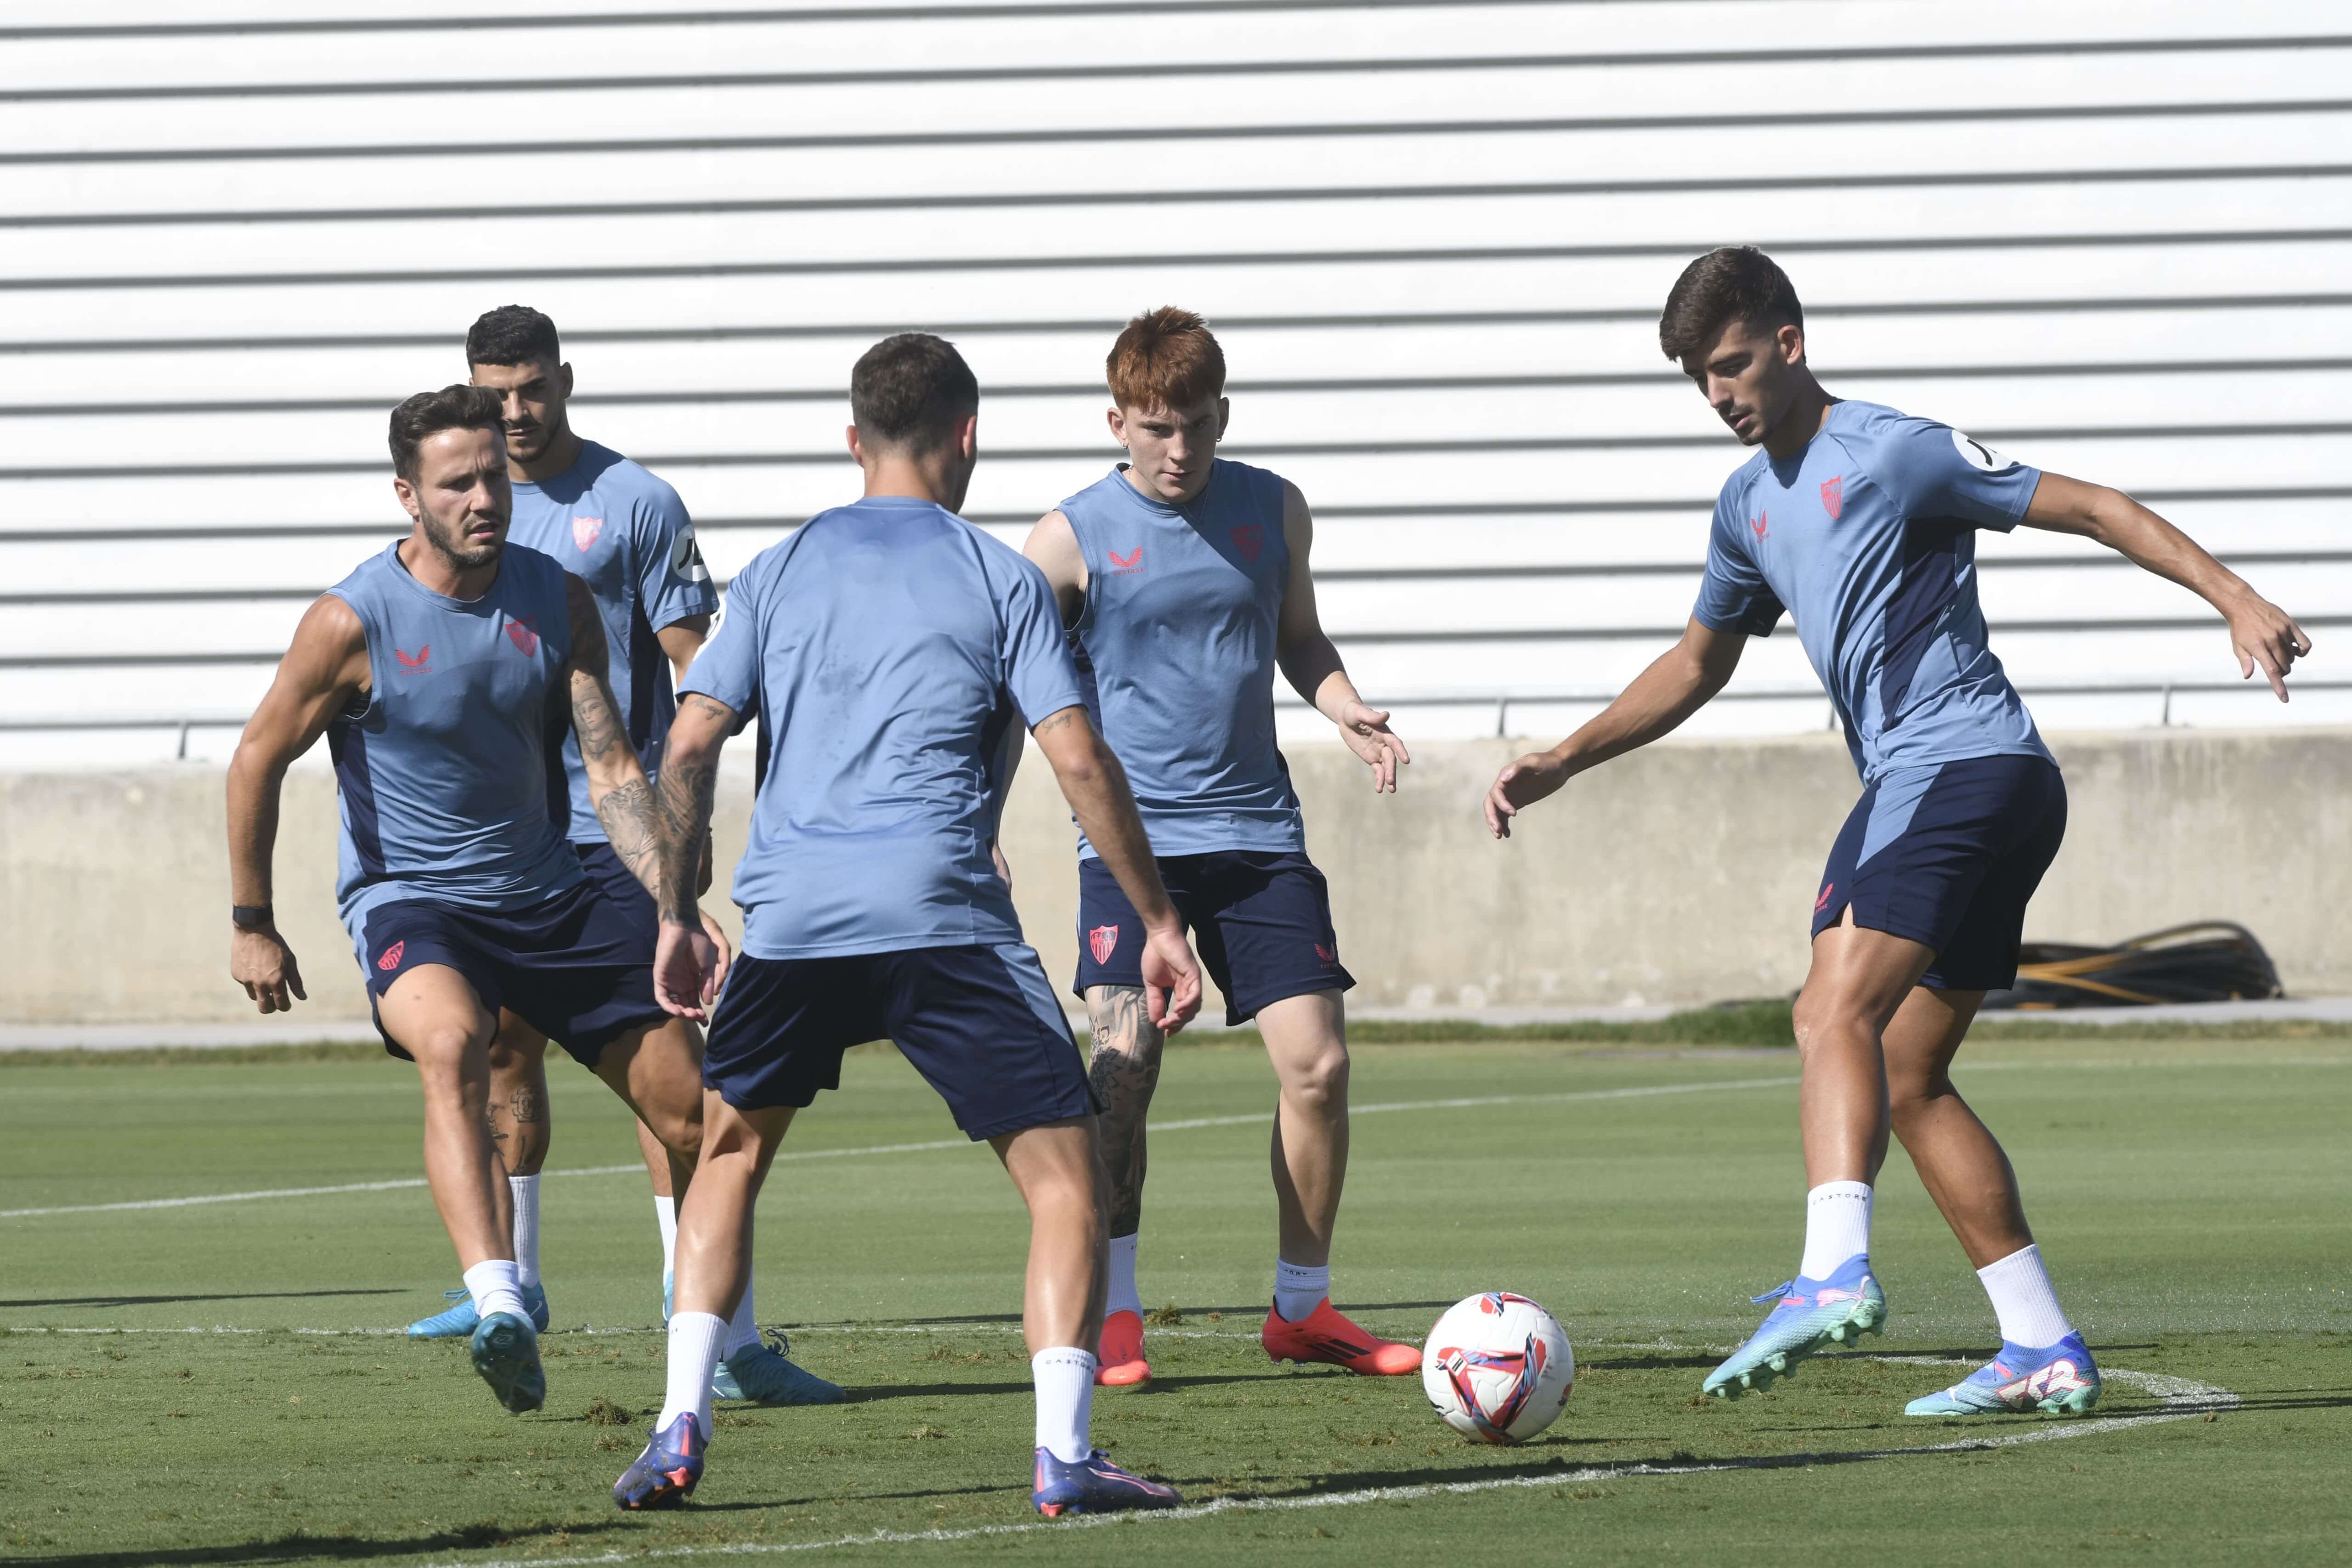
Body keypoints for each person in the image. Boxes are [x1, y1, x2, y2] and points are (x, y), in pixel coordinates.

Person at [1483, 247, 2312, 1415]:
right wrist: (1566, 756)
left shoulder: (1893, 450)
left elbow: (2089, 505)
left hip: (1963, 767)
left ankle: (1829, 1270)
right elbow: (1696, 663)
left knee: (1832, 1011)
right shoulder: (1744, 507)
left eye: (1730, 366)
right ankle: (2038, 1344)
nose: (1719, 396)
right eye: (1697, 381)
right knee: (1908, 1074)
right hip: (1949, 787)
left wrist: (2235, 596)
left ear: (1789, 342)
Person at [611, 334, 1203, 1516]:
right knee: (1065, 1183)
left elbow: (684, 746)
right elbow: (1076, 755)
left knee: (727, 1157)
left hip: (791, 922)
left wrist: (676, 911)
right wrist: (1158, 917)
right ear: (968, 436)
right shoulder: (1001, 576)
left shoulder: (778, 572)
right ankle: (1064, 1456)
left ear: (852, 441)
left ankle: (678, 1427)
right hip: (943, 917)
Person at [226, 385, 730, 1415]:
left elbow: (611, 774)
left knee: (700, 1117)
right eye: (457, 483)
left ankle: (730, 1339)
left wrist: (673, 904)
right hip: (413, 901)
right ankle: (500, 1301)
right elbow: (256, 757)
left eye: (494, 475)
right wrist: (252, 921)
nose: (483, 497)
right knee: (453, 1045)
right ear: (408, 494)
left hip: (550, 894)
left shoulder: (559, 598)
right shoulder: (349, 620)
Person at [396, 307, 841, 1404]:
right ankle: (518, 1283)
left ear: (565, 382)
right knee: (500, 1053)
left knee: (669, 1083)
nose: (514, 414)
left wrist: (684, 846)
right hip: (508, 843)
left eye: (533, 389)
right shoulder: (461, 503)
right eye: (494, 395)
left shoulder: (633, 503)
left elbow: (701, 667)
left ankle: (702, 1317)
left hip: (617, 834)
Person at [1018, 307, 1419, 1388]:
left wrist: (1344, 707)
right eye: (1155, 428)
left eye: (1195, 426)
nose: (1178, 449)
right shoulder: (1065, 539)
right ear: (1118, 421)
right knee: (1122, 1069)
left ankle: (1302, 1308)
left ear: (1222, 415)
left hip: (1257, 833)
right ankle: (1115, 1309)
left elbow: (1299, 638)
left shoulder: (1273, 509)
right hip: (1131, 847)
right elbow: (1007, 687)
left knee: (1319, 1066)